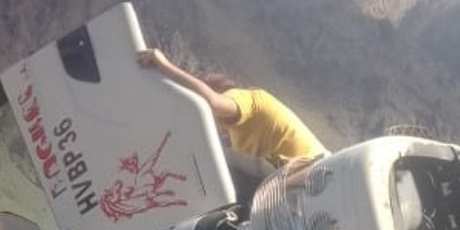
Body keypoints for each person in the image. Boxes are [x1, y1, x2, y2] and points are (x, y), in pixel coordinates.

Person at [136, 48, 327, 168]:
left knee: (219, 165)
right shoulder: (239, 128)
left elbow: (210, 101)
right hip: (311, 175)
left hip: (312, 174)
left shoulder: (245, 100)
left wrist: (164, 65)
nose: (206, 78)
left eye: (206, 80)